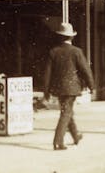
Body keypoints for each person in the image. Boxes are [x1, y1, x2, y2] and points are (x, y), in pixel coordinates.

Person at [42, 22, 94, 151]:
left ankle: (76, 136)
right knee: (66, 112)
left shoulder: (53, 52)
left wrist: (46, 90)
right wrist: (91, 85)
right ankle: (58, 141)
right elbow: (85, 70)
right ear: (71, 37)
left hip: (59, 88)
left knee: (67, 111)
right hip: (72, 88)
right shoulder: (76, 52)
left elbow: (47, 73)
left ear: (60, 36)